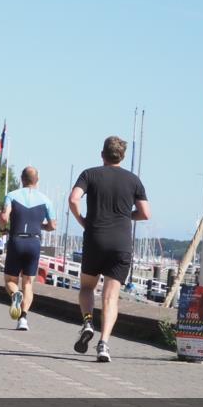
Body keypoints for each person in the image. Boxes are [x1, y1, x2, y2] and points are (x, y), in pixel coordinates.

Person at [68, 136, 150, 362]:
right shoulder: (133, 180)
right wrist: (126, 216)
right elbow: (145, 213)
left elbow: (73, 199)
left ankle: (87, 321)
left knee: (87, 287)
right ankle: (103, 344)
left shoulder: (90, 174)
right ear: (122, 156)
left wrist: (83, 221)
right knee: (110, 297)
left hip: (95, 238)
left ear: (102, 154)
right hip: (121, 243)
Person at [0, 166, 56, 331]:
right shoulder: (46, 200)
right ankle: (23, 319)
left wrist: (2, 228)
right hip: (34, 242)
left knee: (10, 280)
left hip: (16, 240)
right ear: (37, 181)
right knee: (28, 283)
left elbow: (4, 217)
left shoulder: (12, 195)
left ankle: (15, 294)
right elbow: (52, 225)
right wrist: (40, 226)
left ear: (22, 179)